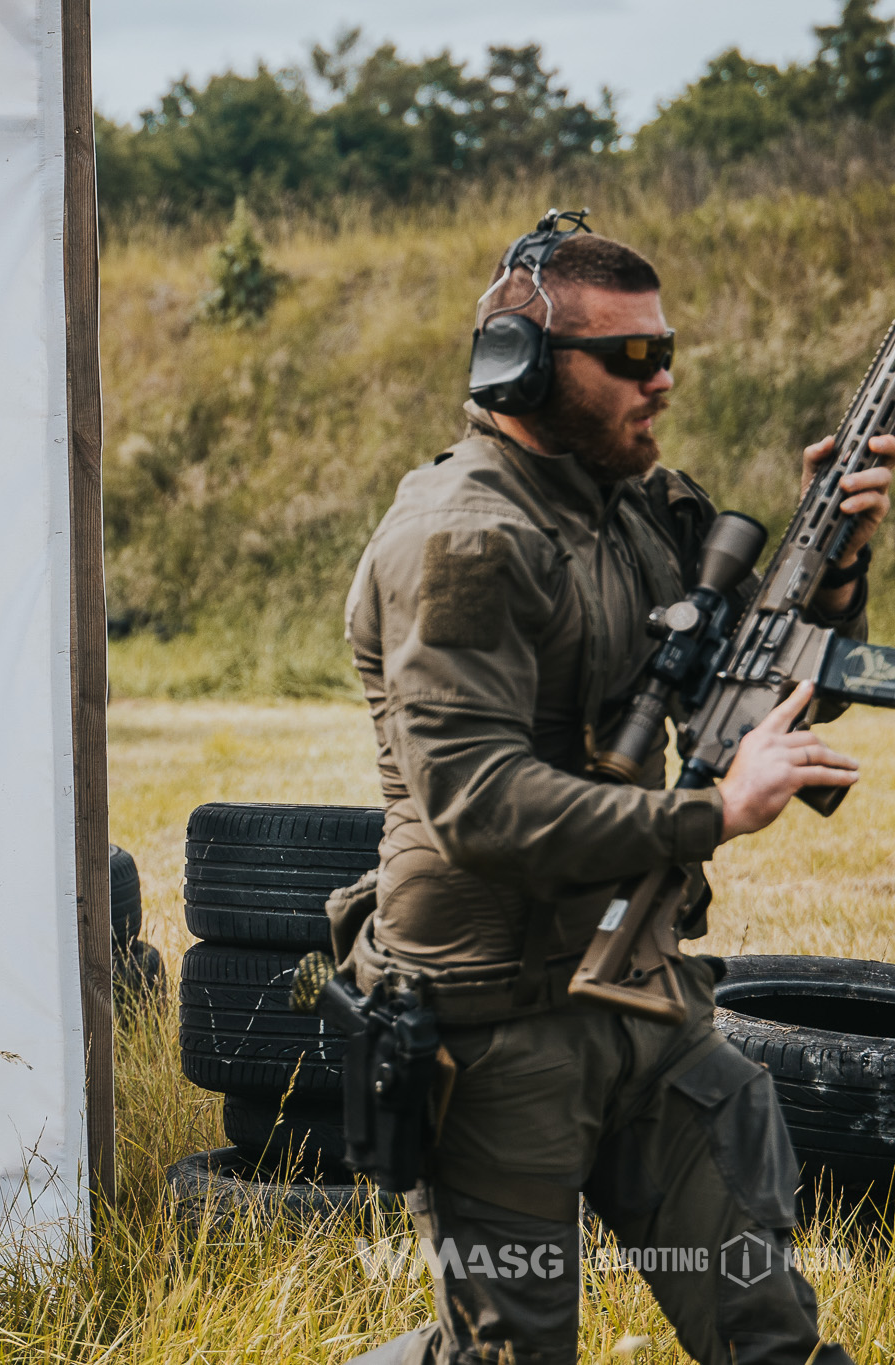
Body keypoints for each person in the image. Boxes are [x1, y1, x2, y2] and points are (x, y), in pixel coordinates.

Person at [341, 222, 890, 1364]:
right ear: (518, 369)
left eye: (665, 349)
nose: (664, 380)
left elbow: (766, 695)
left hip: (639, 995)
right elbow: (477, 805)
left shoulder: (633, 508)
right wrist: (711, 812)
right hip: (491, 1026)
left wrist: (833, 562)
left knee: (768, 1336)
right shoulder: (462, 542)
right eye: (629, 359)